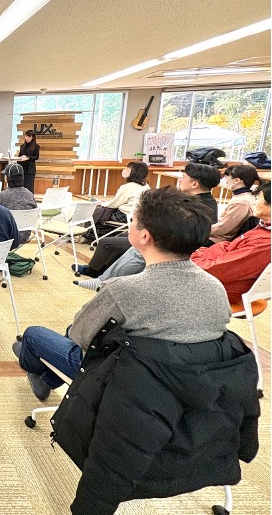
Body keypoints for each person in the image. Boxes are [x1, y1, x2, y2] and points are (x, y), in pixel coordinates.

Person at [16, 187, 230, 401]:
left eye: (133, 219)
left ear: (144, 236)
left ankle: (38, 369)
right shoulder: (216, 288)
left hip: (122, 379)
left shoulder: (123, 290)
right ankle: (47, 377)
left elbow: (79, 336)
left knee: (34, 336)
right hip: (187, 383)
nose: (130, 223)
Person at [73, 161, 220, 281]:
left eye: (183, 177)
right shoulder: (201, 201)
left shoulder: (196, 206)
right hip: (163, 238)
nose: (180, 180)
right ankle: (103, 272)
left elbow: (174, 230)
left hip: (166, 244)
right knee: (122, 237)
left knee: (111, 243)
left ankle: (100, 277)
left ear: (194, 184)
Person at [191, 180, 270, 309]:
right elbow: (226, 247)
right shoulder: (264, 230)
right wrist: (202, 253)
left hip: (222, 288)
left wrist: (192, 257)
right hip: (225, 277)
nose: (255, 201)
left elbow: (216, 269)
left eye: (258, 198)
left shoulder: (264, 242)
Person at [83, 161, 149, 242]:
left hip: (123, 215)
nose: (125, 170)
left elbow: (115, 204)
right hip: (138, 216)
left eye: (128, 169)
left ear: (134, 172)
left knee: (98, 213)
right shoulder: (146, 186)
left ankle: (90, 237)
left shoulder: (127, 187)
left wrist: (102, 203)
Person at [207, 164, 260, 244]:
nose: (224, 181)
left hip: (220, 240)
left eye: (226, 178)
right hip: (219, 236)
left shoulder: (241, 202)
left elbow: (223, 228)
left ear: (236, 180)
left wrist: (201, 231)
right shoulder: (242, 196)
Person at [0, 163, 36, 243]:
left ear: (6, 178)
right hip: (25, 235)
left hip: (6, 236)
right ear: (22, 177)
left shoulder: (0, 197)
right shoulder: (30, 195)